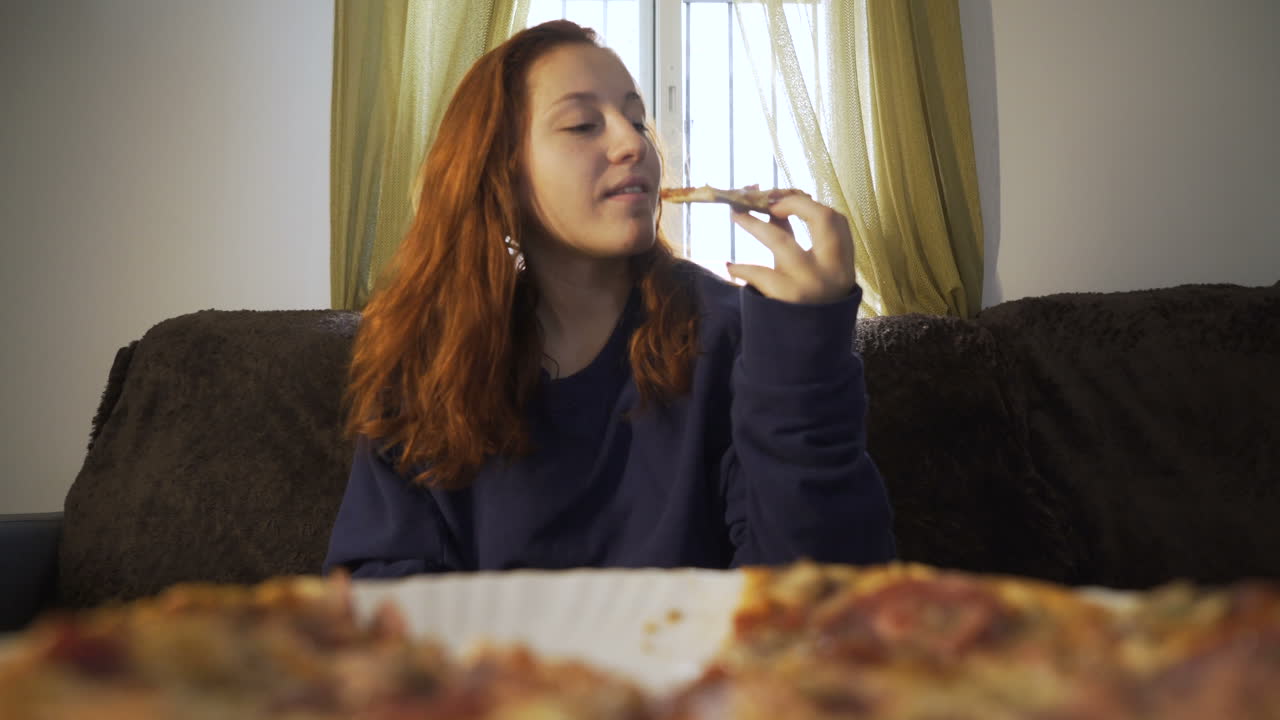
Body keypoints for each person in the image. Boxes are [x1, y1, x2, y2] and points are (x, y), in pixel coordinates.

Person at [322, 20, 896, 578]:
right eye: (580, 125)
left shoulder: (733, 336)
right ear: (500, 173)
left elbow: (817, 598)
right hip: (493, 677)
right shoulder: (427, 355)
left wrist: (806, 356)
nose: (633, 143)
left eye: (637, 120)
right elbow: (378, 602)